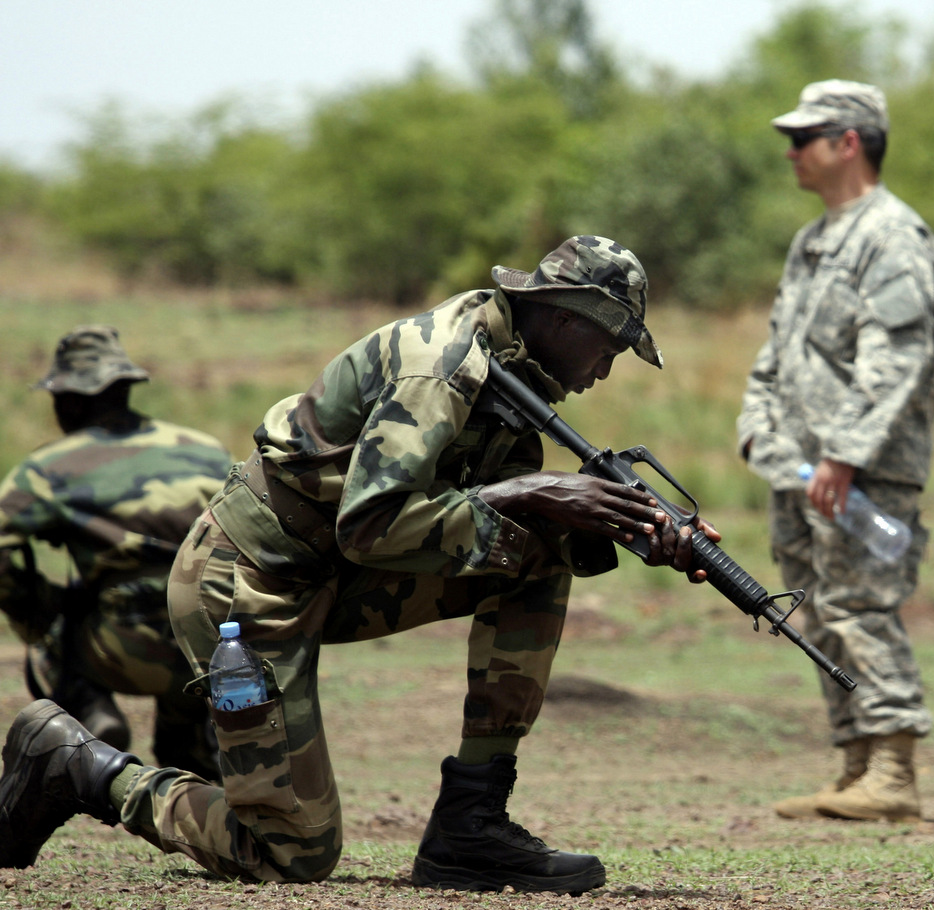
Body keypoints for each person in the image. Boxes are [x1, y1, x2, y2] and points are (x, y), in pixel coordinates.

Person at [0, 236, 718, 895]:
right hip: (247, 586)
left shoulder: (514, 367)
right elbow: (372, 524)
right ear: (565, 319)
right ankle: (85, 769)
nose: (606, 369)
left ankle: (471, 823)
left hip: (332, 572)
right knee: (290, 852)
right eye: (610, 347)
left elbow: (462, 516)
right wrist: (533, 491)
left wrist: (627, 528)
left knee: (541, 551)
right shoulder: (442, 366)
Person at [737, 79, 934, 822]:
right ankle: (856, 762)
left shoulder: (893, 238)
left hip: (863, 471)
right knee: (816, 610)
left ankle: (894, 770)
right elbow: (780, 349)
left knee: (859, 604)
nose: (791, 151)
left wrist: (847, 453)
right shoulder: (815, 239)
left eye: (805, 137)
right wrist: (756, 425)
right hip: (798, 465)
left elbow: (894, 361)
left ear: (848, 142)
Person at [0, 325, 229, 778]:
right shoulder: (206, 451)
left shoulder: (51, 466)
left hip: (115, 647)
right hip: (206, 645)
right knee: (188, 719)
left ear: (70, 401)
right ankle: (192, 751)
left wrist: (39, 604)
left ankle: (88, 705)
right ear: (125, 388)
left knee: (46, 636)